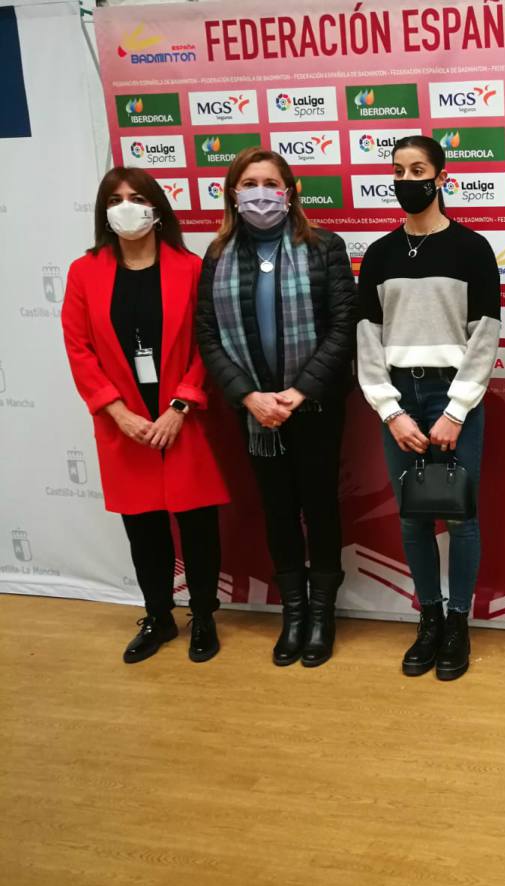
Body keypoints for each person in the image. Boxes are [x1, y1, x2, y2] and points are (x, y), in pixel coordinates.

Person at [195, 148, 356, 668]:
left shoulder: (324, 248)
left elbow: (343, 326)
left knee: (320, 507)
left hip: (313, 407)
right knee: (278, 511)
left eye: (269, 182)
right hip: (255, 411)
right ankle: (293, 614)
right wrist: (249, 396)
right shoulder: (217, 256)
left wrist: (301, 390)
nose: (259, 192)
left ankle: (322, 613)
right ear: (232, 193)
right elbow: (208, 335)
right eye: (248, 183)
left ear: (290, 192)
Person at [62, 167, 229, 664]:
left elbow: (207, 343)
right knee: (144, 528)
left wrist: (181, 403)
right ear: (103, 211)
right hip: (125, 425)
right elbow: (79, 347)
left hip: (182, 419)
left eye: (136, 197)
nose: (125, 206)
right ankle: (158, 616)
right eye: (114, 199)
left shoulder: (189, 267)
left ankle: (203, 615)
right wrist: (116, 411)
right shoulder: (83, 271)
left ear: (157, 207)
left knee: (198, 525)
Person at [356, 135, 501, 682]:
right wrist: (390, 411)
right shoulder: (379, 255)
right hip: (399, 398)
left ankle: (459, 622)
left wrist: (456, 410)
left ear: (442, 177)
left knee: (462, 518)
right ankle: (430, 618)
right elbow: (367, 341)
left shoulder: (472, 249)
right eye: (398, 171)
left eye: (418, 170)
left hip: (452, 396)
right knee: (414, 518)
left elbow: (485, 337)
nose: (406, 180)